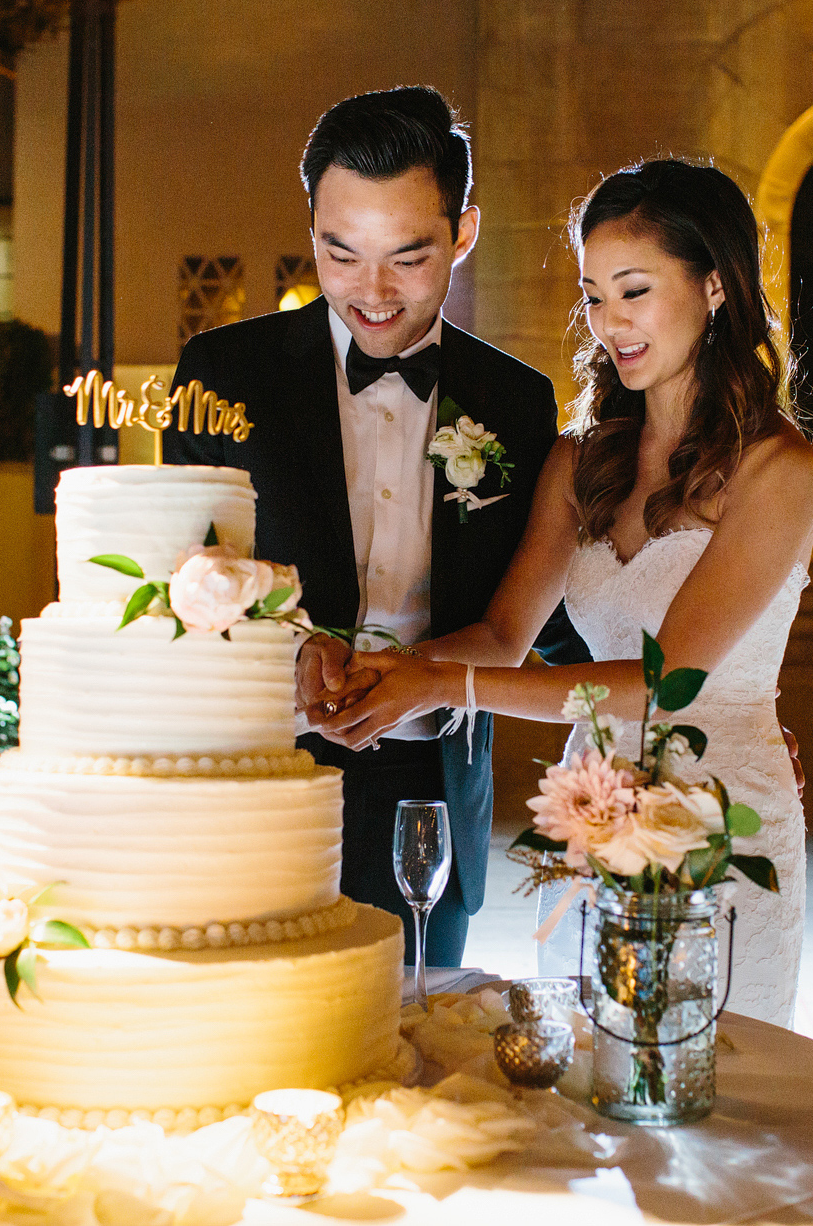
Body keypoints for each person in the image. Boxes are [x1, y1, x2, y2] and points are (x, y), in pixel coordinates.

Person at [313, 159, 813, 1024]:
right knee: (593, 1084)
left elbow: (670, 683)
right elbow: (504, 636)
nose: (611, 322)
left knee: (708, 1083)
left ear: (714, 286)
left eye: (634, 291)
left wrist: (443, 684)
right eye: (594, 296)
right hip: (588, 814)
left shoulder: (778, 471)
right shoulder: (579, 460)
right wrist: (379, 669)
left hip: (723, 820)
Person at [162, 86, 587, 968]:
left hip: (430, 798)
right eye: (340, 253)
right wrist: (288, 651)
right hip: (264, 777)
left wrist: (711, 695)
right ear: (313, 224)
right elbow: (169, 585)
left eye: (409, 257)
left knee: (421, 1064)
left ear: (463, 234)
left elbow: (548, 617)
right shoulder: (222, 372)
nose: (373, 292)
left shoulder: (515, 399)